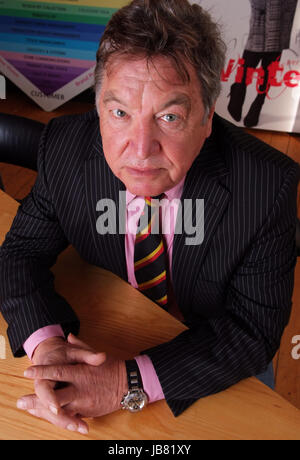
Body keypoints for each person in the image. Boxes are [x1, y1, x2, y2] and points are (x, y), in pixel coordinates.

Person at [0, 0, 299, 435]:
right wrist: (46, 346)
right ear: (99, 105)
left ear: (206, 115)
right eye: (120, 113)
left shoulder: (267, 186)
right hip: (111, 331)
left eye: (169, 117)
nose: (140, 150)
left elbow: (251, 331)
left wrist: (126, 382)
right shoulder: (66, 147)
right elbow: (21, 251)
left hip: (215, 358)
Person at [227, 0, 298, 127]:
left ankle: (259, 101)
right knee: (247, 65)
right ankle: (238, 90)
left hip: (283, 13)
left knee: (269, 70)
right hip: (262, 11)